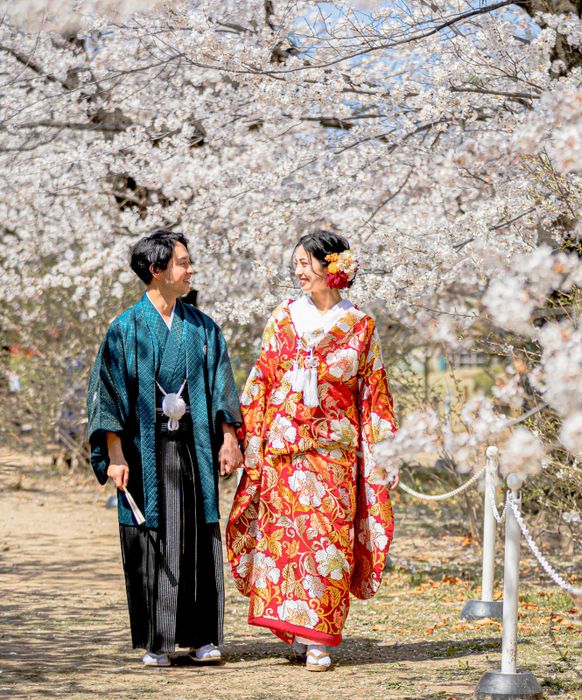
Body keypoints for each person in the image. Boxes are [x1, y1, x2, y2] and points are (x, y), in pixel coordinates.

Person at [226, 230, 398, 672]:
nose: (299, 271)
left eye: (306, 263)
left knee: (329, 542)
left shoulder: (360, 325)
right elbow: (261, 378)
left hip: (334, 451)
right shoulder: (283, 318)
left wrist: (385, 451)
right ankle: (296, 627)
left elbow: (374, 391)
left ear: (331, 267)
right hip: (285, 448)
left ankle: (319, 635)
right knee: (287, 543)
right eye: (297, 263)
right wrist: (245, 438)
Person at [87, 230, 244, 667]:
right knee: (152, 536)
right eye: (182, 262)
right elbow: (109, 397)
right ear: (156, 270)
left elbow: (222, 386)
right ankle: (158, 641)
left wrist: (230, 437)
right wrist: (115, 457)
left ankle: (203, 637)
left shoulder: (203, 328)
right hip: (144, 452)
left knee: (198, 535)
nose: (190, 270)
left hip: (194, 448)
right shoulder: (124, 329)